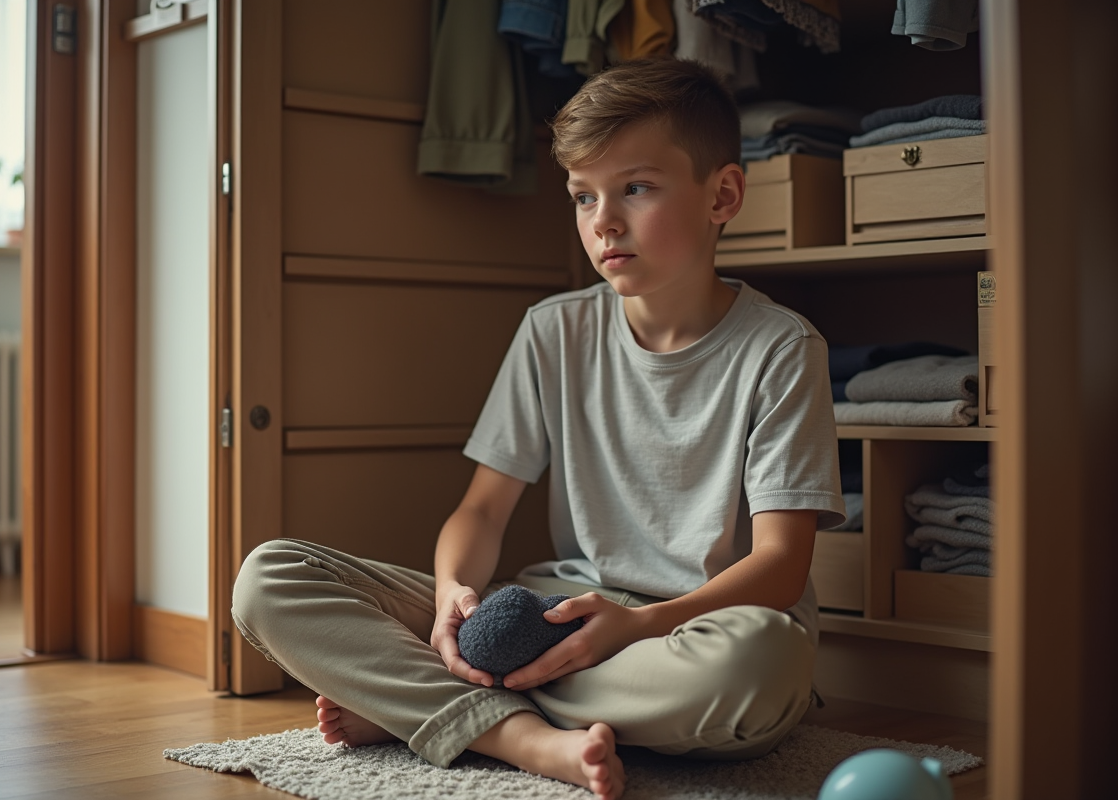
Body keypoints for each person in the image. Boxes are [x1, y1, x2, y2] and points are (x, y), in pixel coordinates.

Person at [232, 57, 845, 800]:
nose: (604, 221)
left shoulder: (782, 349)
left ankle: (434, 706)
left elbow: (780, 567)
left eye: (636, 188)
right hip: (553, 614)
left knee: (756, 671)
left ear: (722, 195)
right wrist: (456, 595)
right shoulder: (553, 331)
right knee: (270, 578)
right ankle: (527, 739)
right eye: (583, 197)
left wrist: (636, 626)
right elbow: (482, 509)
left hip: (692, 633)